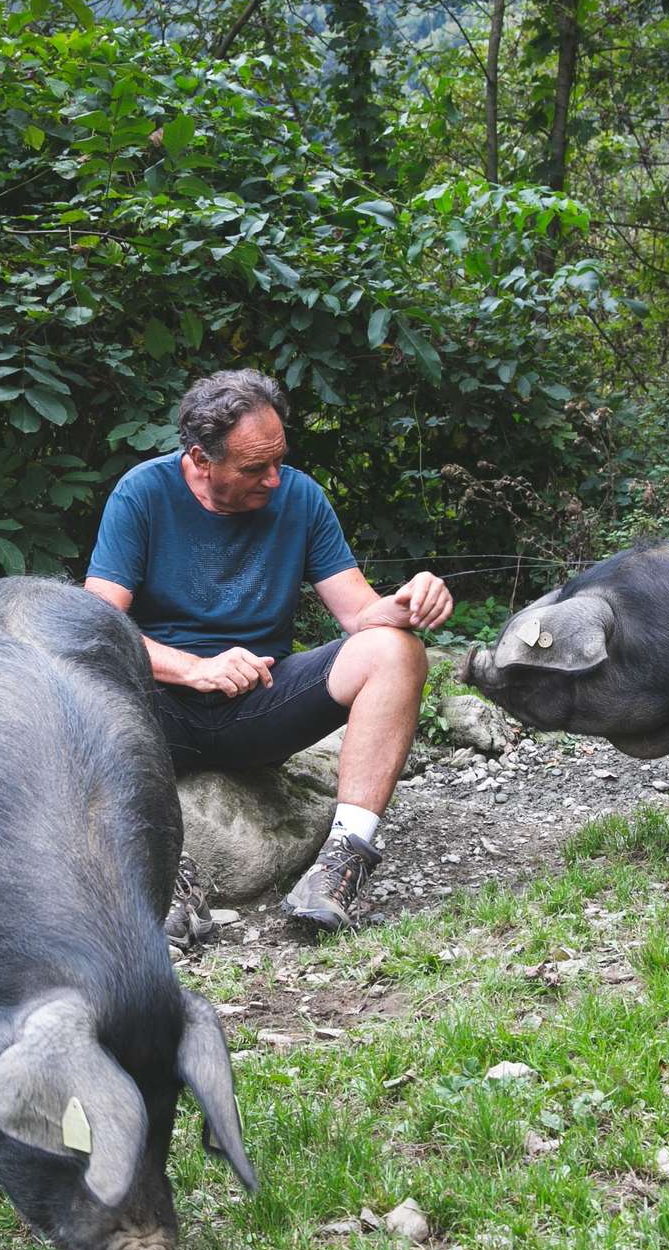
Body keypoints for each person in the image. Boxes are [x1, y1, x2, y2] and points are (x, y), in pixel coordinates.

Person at [84, 369, 450, 940]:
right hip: (157, 712)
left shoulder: (300, 497)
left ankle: (342, 860)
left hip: (261, 703)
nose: (274, 479)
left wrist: (408, 603)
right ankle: (165, 873)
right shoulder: (142, 493)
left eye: (279, 460)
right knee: (76, 681)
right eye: (255, 468)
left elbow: (360, 615)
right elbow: (97, 628)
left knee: (395, 650)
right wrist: (195, 669)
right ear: (201, 459)